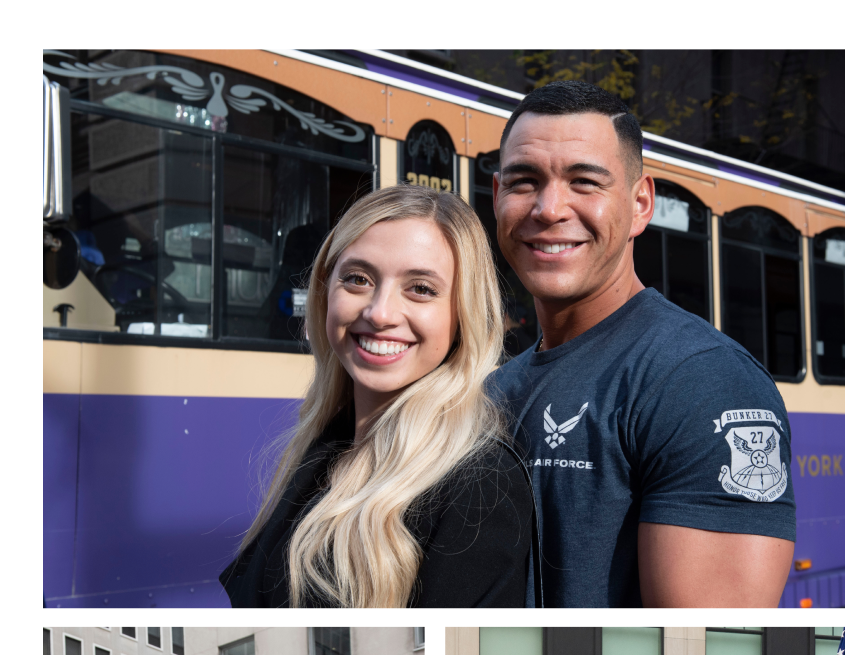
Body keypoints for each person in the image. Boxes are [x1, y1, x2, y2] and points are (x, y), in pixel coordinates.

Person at [486, 79, 796, 607]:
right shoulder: (496, 385)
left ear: (639, 205)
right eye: (524, 181)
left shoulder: (703, 380)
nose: (549, 207)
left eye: (584, 182)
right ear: (496, 198)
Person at [222, 185, 534, 608]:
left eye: (421, 288)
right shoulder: (325, 445)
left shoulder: (481, 486)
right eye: (357, 279)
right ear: (325, 289)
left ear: (462, 315)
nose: (380, 312)